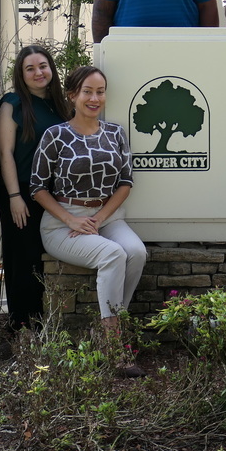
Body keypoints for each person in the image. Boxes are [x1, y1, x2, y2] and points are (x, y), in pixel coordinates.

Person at [30, 66, 147, 340]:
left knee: (137, 252)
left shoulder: (115, 133)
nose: (94, 98)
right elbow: (37, 187)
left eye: (100, 92)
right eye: (87, 92)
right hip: (63, 223)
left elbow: (125, 182)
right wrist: (71, 220)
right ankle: (113, 341)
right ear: (72, 95)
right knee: (113, 254)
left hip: (107, 217)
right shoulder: (55, 135)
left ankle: (110, 325)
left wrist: (98, 219)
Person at [0, 46, 69, 331]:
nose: (38, 72)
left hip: (53, 193)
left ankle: (43, 322)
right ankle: (21, 326)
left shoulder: (60, 105)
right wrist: (14, 196)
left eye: (43, 66)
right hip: (22, 191)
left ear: (51, 68)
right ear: (21, 74)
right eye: (30, 68)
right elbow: (5, 154)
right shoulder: (12, 103)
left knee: (42, 258)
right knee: (21, 259)